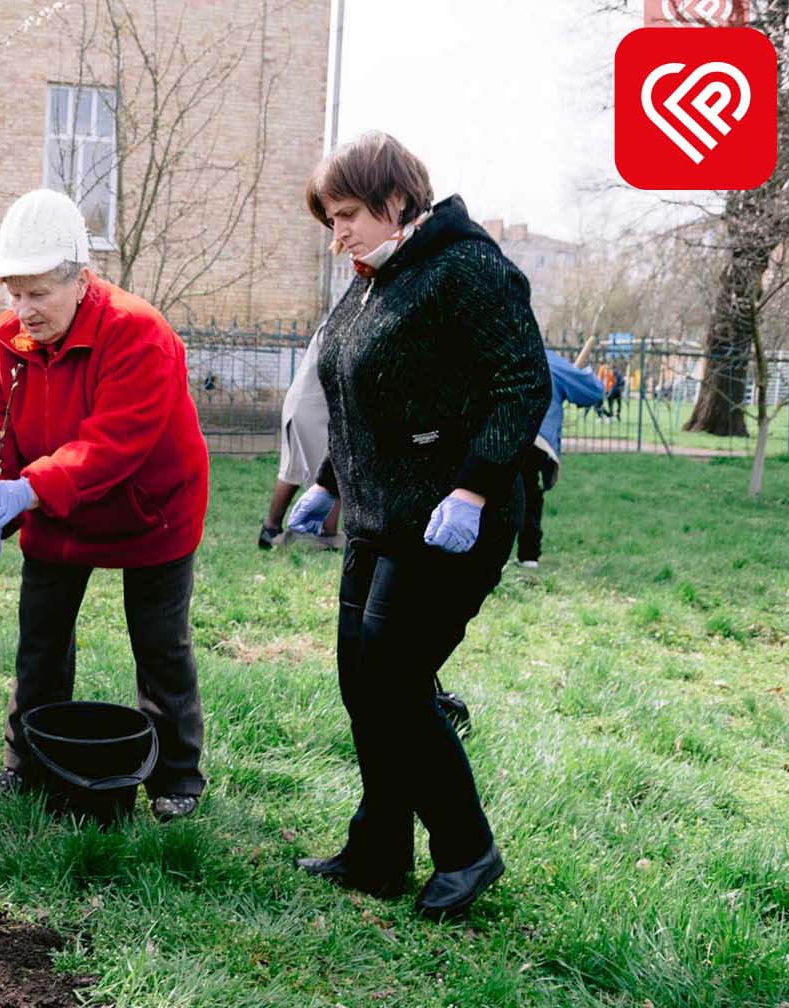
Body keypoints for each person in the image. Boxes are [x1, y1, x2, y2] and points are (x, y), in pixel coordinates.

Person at [286, 131, 548, 919]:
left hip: (451, 519)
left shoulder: (467, 268)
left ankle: (467, 851)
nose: (337, 235)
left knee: (396, 682)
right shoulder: (374, 280)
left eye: (346, 215)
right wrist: (331, 484)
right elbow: (372, 399)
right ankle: (379, 849)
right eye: (329, 220)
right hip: (378, 518)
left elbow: (520, 385)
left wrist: (471, 492)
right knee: (363, 686)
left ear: (396, 199)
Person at [0, 189, 211, 821]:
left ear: (79, 278)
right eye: (13, 293)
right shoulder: (4, 343)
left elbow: (113, 443)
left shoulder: (138, 334)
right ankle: (29, 766)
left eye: (38, 292)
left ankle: (177, 778)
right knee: (40, 643)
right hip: (57, 511)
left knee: (161, 644)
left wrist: (31, 489)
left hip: (148, 507)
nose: (23, 309)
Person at [516, 351, 604, 568]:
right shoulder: (549, 359)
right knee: (528, 495)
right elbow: (593, 391)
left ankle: (513, 554)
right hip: (535, 437)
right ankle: (528, 555)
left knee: (502, 491)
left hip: (501, 432)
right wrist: (581, 374)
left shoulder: (504, 351)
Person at [259, 323, 341, 550]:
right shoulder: (344, 321)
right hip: (314, 408)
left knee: (291, 470)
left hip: (303, 403)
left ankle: (270, 530)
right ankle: (327, 535)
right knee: (334, 469)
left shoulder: (338, 318)